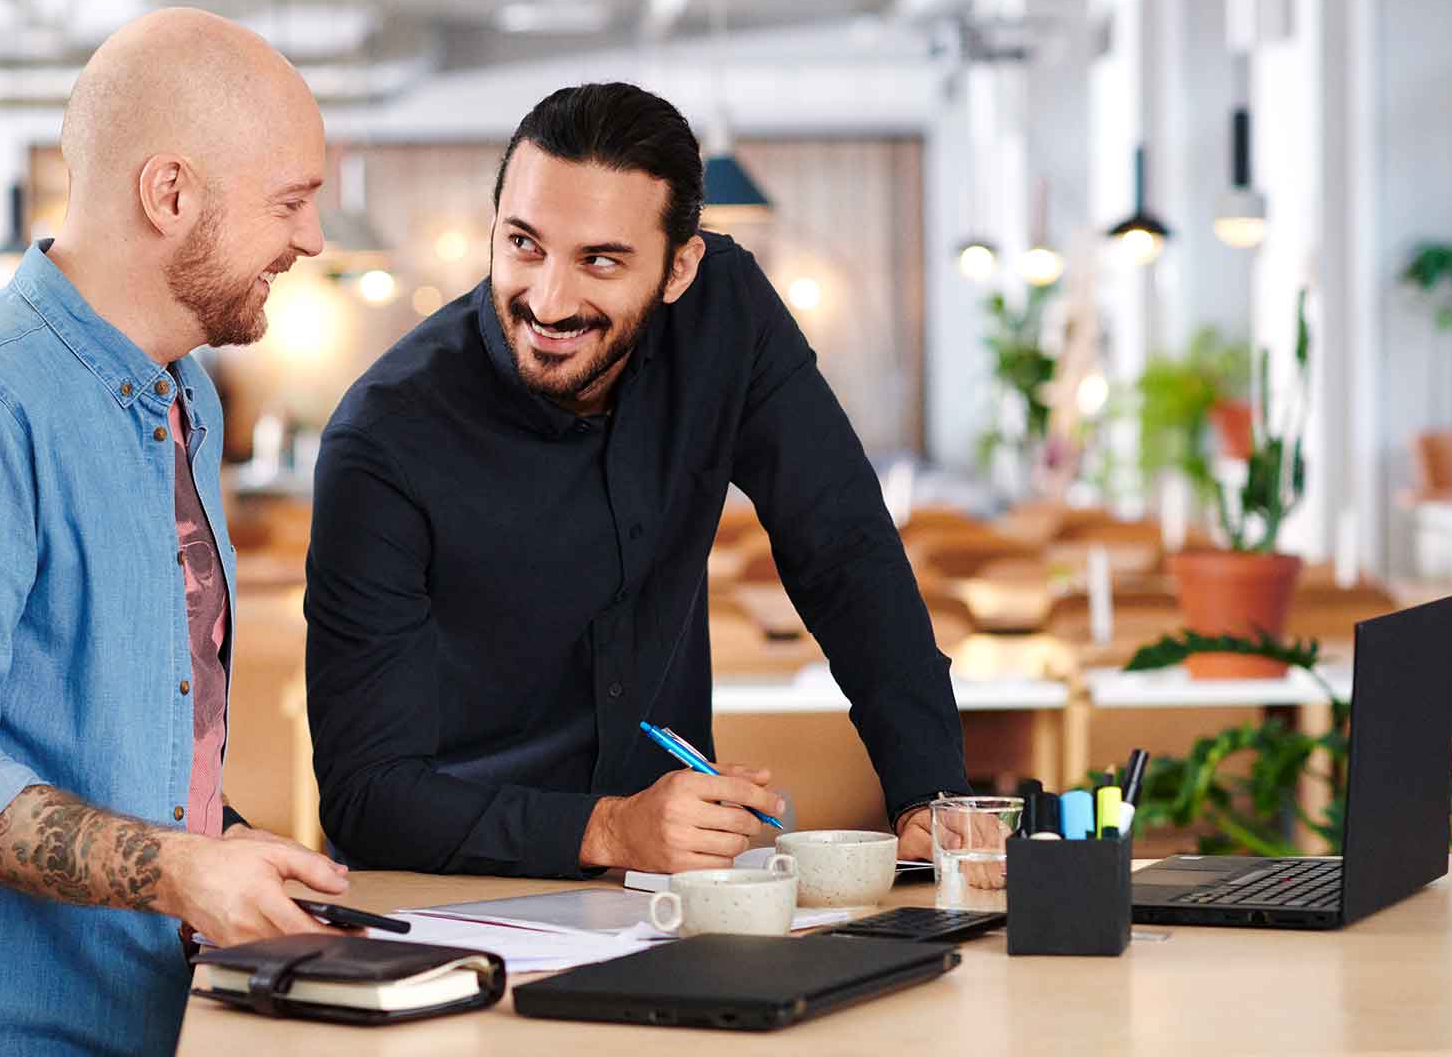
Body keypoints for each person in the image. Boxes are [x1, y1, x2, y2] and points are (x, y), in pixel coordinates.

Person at [0, 9, 348, 1056]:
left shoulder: (177, 394)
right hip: (4, 1024)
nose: (310, 239)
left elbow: (129, 732)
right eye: (288, 202)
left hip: (151, 1001)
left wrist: (232, 846)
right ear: (169, 193)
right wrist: (182, 870)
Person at [306, 83, 970, 879]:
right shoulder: (383, 438)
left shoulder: (728, 315)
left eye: (600, 261)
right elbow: (365, 796)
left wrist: (932, 796)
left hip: (664, 890)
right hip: (445, 897)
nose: (549, 300)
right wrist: (609, 830)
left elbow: (845, 552)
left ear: (680, 265)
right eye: (524, 245)